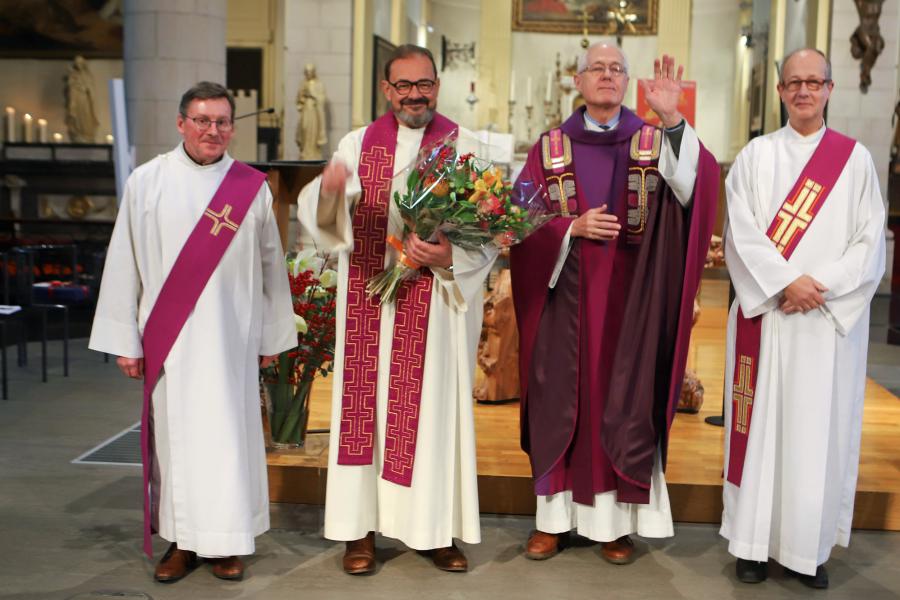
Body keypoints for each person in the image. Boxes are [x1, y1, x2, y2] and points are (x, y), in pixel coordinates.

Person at [510, 43, 718, 564]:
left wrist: (673, 122)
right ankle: (552, 521)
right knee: (560, 398)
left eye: (616, 69)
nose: (606, 76)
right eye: (596, 69)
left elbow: (698, 187)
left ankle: (616, 526)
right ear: (577, 82)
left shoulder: (652, 138)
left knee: (623, 402)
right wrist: (568, 227)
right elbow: (517, 219)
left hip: (633, 304)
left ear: (628, 82)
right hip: (564, 298)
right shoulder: (549, 147)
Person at [297, 44, 495, 574]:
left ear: (437, 84)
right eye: (403, 85)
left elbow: (491, 231)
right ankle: (358, 532)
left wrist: (451, 253)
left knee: (430, 414)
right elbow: (326, 220)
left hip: (434, 306)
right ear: (387, 90)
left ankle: (431, 530)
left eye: (423, 84)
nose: (414, 95)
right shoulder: (358, 143)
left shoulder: (466, 145)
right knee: (365, 415)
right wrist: (330, 194)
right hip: (371, 300)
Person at [89, 81, 296, 583]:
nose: (213, 130)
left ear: (232, 128)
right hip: (171, 343)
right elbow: (124, 262)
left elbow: (272, 268)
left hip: (233, 340)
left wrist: (272, 339)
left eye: (223, 122)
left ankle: (228, 543)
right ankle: (181, 543)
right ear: (181, 123)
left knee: (229, 442)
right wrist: (125, 340)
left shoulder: (250, 187)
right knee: (177, 445)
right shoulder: (148, 182)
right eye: (202, 120)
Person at [720, 48, 885, 589]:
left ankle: (804, 551)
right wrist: (785, 283)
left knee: (819, 436)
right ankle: (751, 544)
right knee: (761, 430)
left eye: (814, 82)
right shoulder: (756, 157)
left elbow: (870, 241)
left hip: (824, 324)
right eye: (794, 82)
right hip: (767, 318)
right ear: (781, 91)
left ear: (830, 90)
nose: (804, 91)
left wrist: (821, 287)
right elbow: (740, 233)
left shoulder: (854, 159)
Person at [296, 63, 328, 160]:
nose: (308, 74)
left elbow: (322, 99)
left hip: (314, 113)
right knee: (304, 129)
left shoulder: (319, 84)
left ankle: (312, 153)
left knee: (313, 132)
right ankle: (305, 152)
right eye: (306, 72)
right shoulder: (303, 83)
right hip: (306, 111)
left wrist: (312, 94)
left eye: (310, 72)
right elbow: (298, 99)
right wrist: (302, 97)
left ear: (313, 72)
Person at [65, 55, 100, 143]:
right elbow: (70, 86)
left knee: (87, 117)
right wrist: (73, 84)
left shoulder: (88, 75)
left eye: (80, 63)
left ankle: (87, 134)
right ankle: (78, 133)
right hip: (76, 99)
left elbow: (91, 88)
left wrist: (85, 88)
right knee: (76, 117)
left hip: (85, 100)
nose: (78, 65)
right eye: (77, 63)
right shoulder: (73, 75)